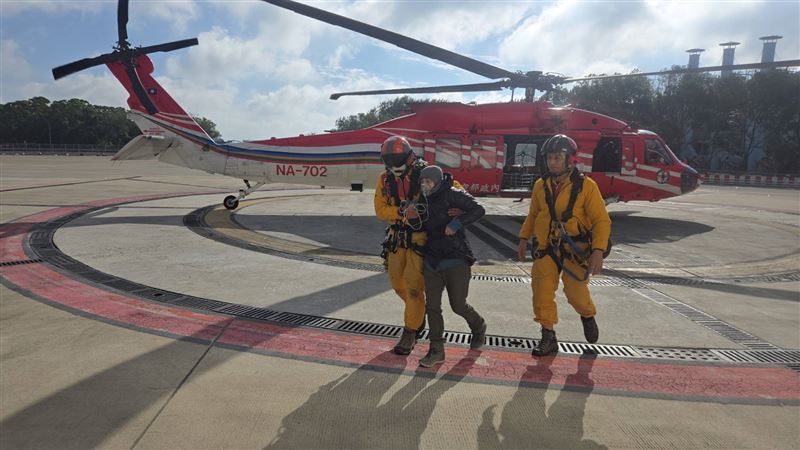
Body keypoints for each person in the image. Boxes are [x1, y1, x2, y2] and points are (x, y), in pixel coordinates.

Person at [516, 134, 611, 356]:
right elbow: (534, 214)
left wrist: (598, 251)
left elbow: (601, 220)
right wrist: (523, 238)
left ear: (570, 159)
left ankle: (587, 315)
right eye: (550, 158)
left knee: (576, 293)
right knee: (541, 292)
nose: (553, 162)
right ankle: (548, 335)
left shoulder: (586, 186)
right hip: (546, 247)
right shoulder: (541, 185)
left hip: (574, 250)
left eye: (557, 157)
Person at [415, 165, 487, 368]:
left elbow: (479, 209)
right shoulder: (423, 199)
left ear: (437, 181)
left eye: (428, 181)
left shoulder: (453, 193)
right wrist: (411, 217)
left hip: (456, 258)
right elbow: (420, 223)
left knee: (458, 305)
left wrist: (457, 222)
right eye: (422, 182)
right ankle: (436, 350)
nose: (424, 185)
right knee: (432, 307)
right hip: (432, 259)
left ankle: (478, 325)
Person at [374, 136, 429, 355]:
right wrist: (401, 212)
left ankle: (410, 331)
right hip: (397, 240)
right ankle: (418, 313)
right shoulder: (385, 180)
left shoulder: (426, 174)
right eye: (389, 159)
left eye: (397, 158)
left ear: (408, 156)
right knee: (398, 285)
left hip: (419, 239)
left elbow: (452, 189)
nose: (394, 164)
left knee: (415, 288)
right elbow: (380, 210)